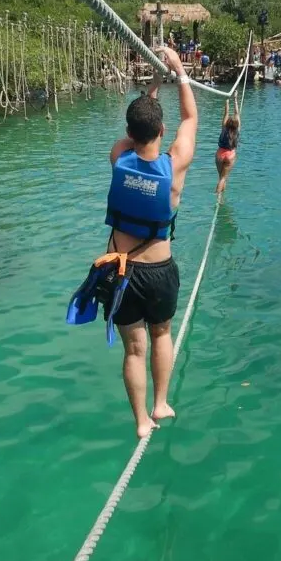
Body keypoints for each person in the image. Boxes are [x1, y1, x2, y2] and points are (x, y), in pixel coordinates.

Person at [103, 46, 198, 438]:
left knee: (134, 350)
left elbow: (139, 127)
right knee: (161, 334)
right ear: (162, 132)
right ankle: (161, 402)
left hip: (121, 271)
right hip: (159, 271)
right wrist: (180, 73)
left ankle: (141, 420)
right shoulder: (174, 165)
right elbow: (191, 118)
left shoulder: (118, 157)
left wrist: (155, 84)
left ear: (129, 133)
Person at [215, 99, 241, 193]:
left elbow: (226, 113)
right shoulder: (237, 130)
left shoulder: (224, 128)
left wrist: (226, 101)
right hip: (230, 155)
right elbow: (237, 113)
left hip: (220, 154)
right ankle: (219, 197)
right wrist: (235, 99)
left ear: (228, 123)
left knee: (221, 177)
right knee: (223, 178)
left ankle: (219, 197)